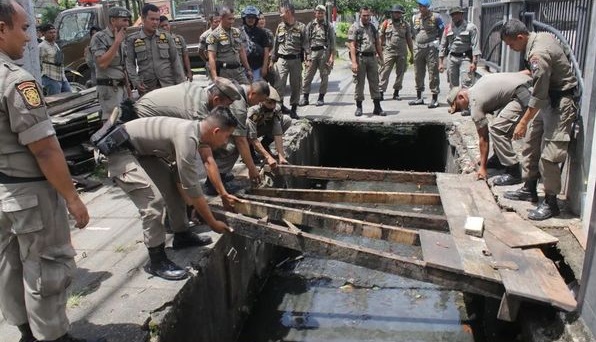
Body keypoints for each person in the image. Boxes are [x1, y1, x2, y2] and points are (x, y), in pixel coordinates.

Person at [0, 1, 94, 342]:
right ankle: (53, 336)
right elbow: (44, 148)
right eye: (23, 28)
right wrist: (72, 197)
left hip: (3, 191)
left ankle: (25, 331)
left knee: (9, 265)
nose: (28, 38)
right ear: (1, 28)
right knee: (46, 265)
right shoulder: (16, 80)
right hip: (30, 193)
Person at [108, 108, 236, 280]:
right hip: (119, 151)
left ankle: (182, 235)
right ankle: (157, 260)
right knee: (153, 202)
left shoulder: (195, 133)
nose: (226, 142)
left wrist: (194, 206)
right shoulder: (187, 137)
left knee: (172, 191)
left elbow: (180, 178)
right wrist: (212, 222)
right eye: (227, 136)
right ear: (216, 131)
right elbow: (192, 187)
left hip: (142, 152)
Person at [500, 19, 578, 220]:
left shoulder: (538, 55)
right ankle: (529, 188)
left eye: (511, 44)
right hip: (547, 100)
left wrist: (523, 121)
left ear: (520, 37)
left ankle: (551, 204)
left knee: (550, 155)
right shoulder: (540, 37)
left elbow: (540, 94)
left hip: (559, 102)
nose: (511, 48)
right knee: (530, 145)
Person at [447, 72, 532, 181]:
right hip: (527, 85)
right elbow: (520, 74)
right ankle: (498, 159)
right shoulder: (480, 82)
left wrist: (482, 167)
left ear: (461, 97)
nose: (462, 111)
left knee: (497, 129)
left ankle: (513, 171)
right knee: (502, 121)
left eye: (459, 107)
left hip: (524, 93)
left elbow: (483, 137)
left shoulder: (475, 103)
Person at [207, 80, 271, 195]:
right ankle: (213, 182)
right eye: (259, 101)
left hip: (210, 126)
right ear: (253, 94)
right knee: (233, 146)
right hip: (203, 131)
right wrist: (252, 169)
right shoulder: (239, 106)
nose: (258, 104)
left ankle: (221, 174)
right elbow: (240, 140)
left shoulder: (240, 89)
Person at [125, 3, 184, 96]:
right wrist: (136, 81)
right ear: (143, 19)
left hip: (168, 85)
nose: (155, 22)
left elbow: (175, 61)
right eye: (152, 19)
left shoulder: (166, 37)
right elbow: (129, 63)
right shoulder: (133, 39)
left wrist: (181, 83)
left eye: (157, 19)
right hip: (147, 88)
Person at [90, 7, 131, 120]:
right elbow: (102, 63)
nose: (126, 24)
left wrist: (128, 90)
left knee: (124, 121)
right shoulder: (99, 37)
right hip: (109, 89)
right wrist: (117, 42)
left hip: (121, 87)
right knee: (111, 123)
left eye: (127, 21)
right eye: (124, 20)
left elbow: (122, 66)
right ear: (113, 21)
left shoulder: (121, 37)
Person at [271, 3, 307, 119]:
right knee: (279, 85)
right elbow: (276, 44)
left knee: (296, 85)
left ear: (289, 12)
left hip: (295, 60)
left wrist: (308, 59)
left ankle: (294, 109)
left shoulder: (301, 27)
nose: (280, 15)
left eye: (281, 12)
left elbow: (306, 44)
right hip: (282, 60)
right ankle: (279, 108)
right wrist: (272, 60)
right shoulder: (280, 26)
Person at [348, 6, 385, 116]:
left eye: (368, 15)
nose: (366, 17)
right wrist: (354, 62)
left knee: (375, 82)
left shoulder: (373, 28)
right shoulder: (355, 27)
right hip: (361, 58)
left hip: (372, 58)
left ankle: (377, 107)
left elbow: (377, 44)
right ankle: (359, 107)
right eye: (364, 15)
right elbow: (352, 46)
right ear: (360, 15)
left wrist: (381, 58)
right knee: (359, 83)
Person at [409, 0, 444, 108]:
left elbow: (442, 31)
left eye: (423, 6)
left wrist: (440, 46)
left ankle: (434, 99)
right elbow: (414, 32)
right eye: (419, 6)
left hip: (431, 49)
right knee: (418, 73)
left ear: (428, 7)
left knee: (433, 73)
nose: (421, 8)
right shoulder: (415, 18)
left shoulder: (436, 17)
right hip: (419, 49)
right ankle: (419, 97)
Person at [300, 4, 335, 107]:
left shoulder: (328, 26)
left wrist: (332, 57)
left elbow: (333, 43)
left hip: (324, 53)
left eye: (322, 13)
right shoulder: (310, 25)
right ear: (315, 13)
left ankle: (321, 98)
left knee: (324, 76)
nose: (320, 14)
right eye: (318, 12)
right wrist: (307, 55)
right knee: (307, 75)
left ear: (324, 14)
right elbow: (306, 42)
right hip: (312, 53)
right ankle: (305, 97)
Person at [247, 87, 291, 167]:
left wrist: (281, 156)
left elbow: (277, 131)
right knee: (247, 130)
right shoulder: (254, 110)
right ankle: (250, 152)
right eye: (269, 103)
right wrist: (268, 157)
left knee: (286, 120)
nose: (272, 106)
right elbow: (251, 135)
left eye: (274, 103)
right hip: (248, 132)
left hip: (260, 127)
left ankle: (265, 144)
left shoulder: (276, 108)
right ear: (262, 101)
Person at [207, 7, 252, 84]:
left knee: (248, 91)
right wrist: (214, 76)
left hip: (238, 70)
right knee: (228, 94)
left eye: (233, 19)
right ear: (221, 18)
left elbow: (241, 51)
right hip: (224, 72)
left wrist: (248, 69)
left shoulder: (237, 32)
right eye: (229, 19)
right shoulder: (214, 35)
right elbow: (211, 57)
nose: (232, 21)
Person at [439, 6, 481, 89]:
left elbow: (475, 46)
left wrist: (474, 62)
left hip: (465, 58)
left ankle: (465, 101)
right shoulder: (448, 28)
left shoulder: (470, 27)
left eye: (457, 14)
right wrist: (440, 63)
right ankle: (453, 102)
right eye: (452, 15)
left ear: (461, 15)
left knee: (466, 83)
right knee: (453, 85)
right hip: (452, 58)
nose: (454, 16)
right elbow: (443, 45)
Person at [378, 4, 413, 101]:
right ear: (391, 13)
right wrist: (379, 52)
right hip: (389, 52)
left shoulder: (405, 25)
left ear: (401, 14)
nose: (397, 15)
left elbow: (409, 39)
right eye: (395, 13)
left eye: (398, 13)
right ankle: (381, 92)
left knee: (400, 73)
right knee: (384, 71)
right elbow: (380, 38)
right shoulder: (386, 23)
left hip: (402, 52)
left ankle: (396, 92)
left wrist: (412, 53)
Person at [39, 23, 71, 95]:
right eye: (50, 33)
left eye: (54, 32)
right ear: (44, 34)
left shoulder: (55, 45)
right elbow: (38, 63)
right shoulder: (42, 46)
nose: (53, 34)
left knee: (69, 96)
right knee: (56, 101)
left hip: (61, 76)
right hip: (50, 78)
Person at [241, 6, 271, 81]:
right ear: (244, 18)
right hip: (242, 68)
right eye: (248, 17)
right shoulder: (239, 32)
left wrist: (264, 67)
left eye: (253, 18)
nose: (251, 20)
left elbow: (266, 50)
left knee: (257, 89)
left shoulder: (261, 32)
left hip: (257, 67)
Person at [159, 16, 193, 82]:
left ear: (169, 25)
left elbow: (185, 56)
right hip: (166, 77)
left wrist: (189, 72)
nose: (164, 28)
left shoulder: (179, 39)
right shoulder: (157, 42)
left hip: (180, 73)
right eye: (162, 26)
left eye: (166, 25)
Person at [198, 12, 221, 81]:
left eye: (219, 21)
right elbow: (200, 51)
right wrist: (207, 60)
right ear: (210, 22)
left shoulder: (225, 33)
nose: (218, 24)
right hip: (213, 64)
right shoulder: (205, 35)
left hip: (224, 65)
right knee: (214, 85)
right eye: (215, 22)